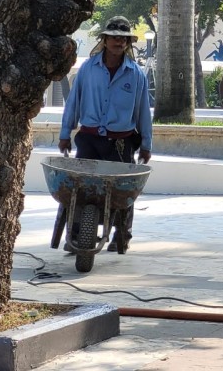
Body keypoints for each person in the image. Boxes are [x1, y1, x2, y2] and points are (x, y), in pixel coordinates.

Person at [59, 15, 153, 253]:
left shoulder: (136, 74)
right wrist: (64, 133)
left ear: (128, 43)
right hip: (89, 139)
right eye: (113, 37)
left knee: (124, 188)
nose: (118, 42)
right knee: (81, 188)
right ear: (105, 39)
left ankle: (122, 234)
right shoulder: (88, 69)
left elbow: (143, 111)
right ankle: (76, 233)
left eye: (123, 39)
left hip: (121, 143)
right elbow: (74, 102)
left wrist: (146, 144)